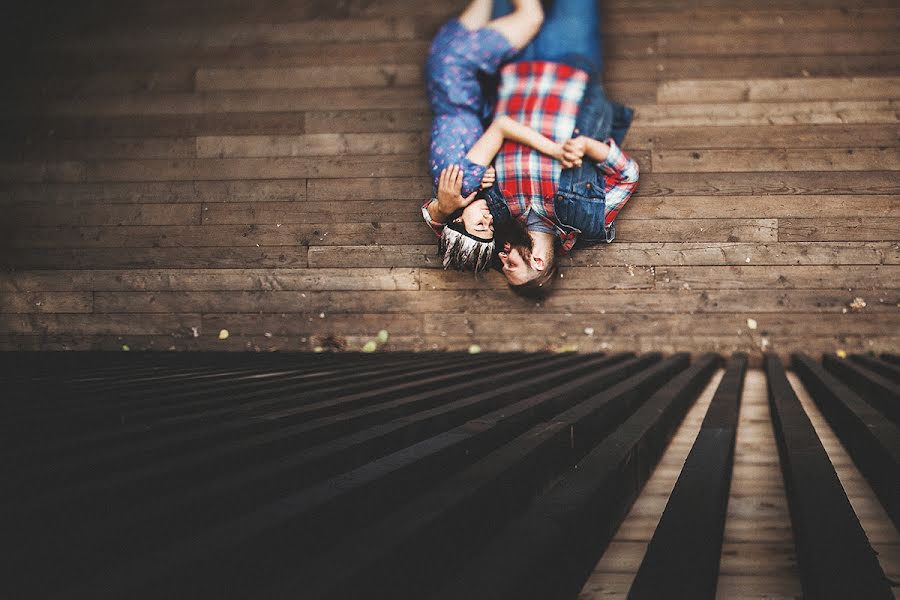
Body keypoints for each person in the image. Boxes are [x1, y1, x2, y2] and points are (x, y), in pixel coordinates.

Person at [431, 0, 639, 284]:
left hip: (511, 68)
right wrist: (589, 147)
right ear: (538, 262)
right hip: (572, 65)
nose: (502, 259)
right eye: (511, 267)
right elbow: (628, 176)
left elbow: (454, 231)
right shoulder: (589, 219)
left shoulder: (498, 223)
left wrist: (441, 210)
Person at [421, 0, 581, 271]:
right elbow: (437, 220)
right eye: (489, 227)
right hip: (442, 67)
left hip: (460, 69)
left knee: (531, 17)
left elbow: (502, 126)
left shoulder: (463, 186)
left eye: (479, 224)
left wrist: (554, 150)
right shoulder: (456, 193)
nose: (488, 219)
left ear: (458, 221)